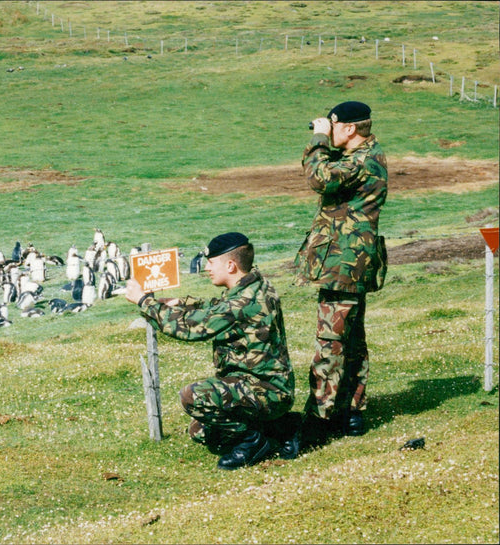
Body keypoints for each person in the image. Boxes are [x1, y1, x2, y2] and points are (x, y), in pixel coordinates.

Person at [125, 232, 296, 470]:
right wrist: (182, 303)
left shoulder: (242, 302)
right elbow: (218, 309)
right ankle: (283, 428)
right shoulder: (257, 285)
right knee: (200, 431)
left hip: (266, 390)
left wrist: (145, 302)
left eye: (211, 262)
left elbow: (191, 329)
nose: (206, 268)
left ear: (230, 265)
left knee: (192, 396)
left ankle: (253, 442)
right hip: (267, 387)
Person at [295, 100, 388, 446]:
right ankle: (352, 412)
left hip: (342, 264)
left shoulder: (359, 161)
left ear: (349, 129)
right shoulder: (368, 155)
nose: (328, 130)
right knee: (352, 340)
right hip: (355, 264)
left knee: (331, 342)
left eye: (333, 125)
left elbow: (319, 177)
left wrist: (319, 139)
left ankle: (320, 419)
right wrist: (326, 138)